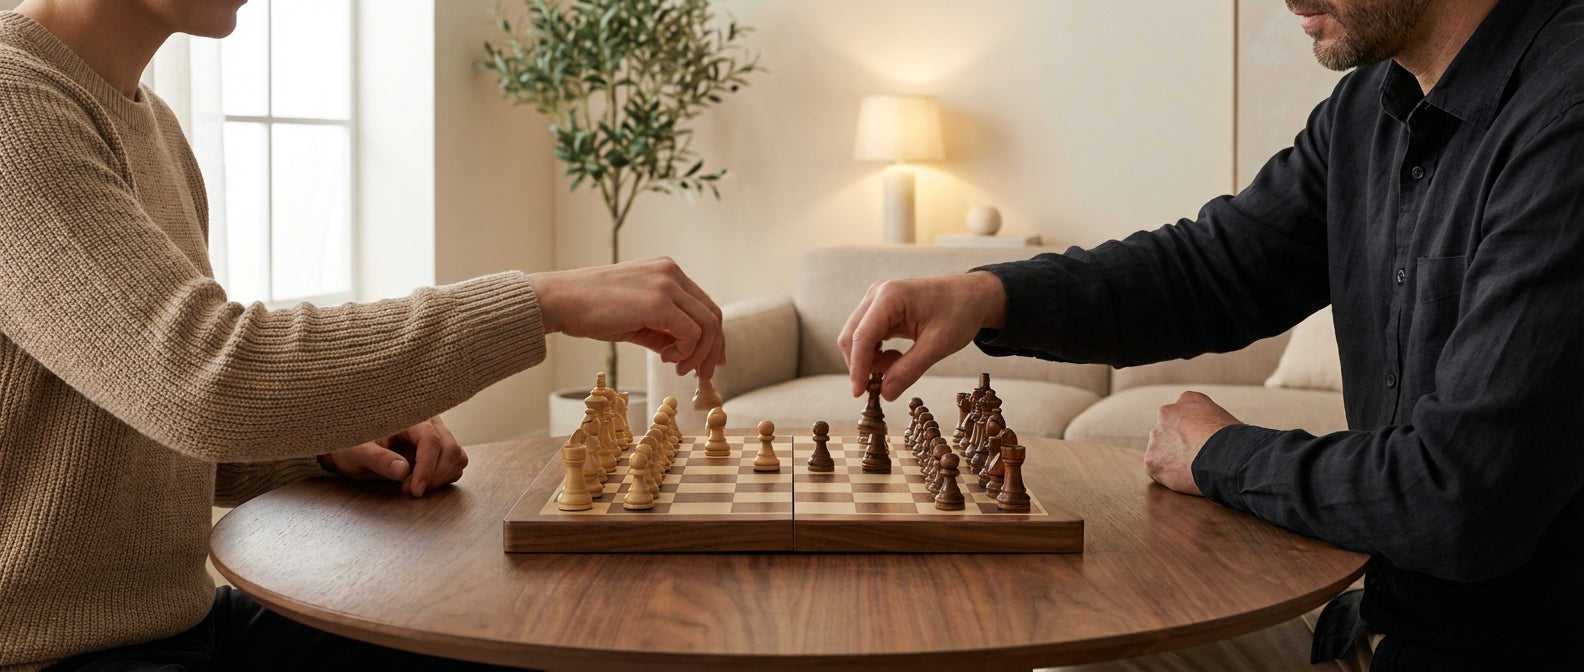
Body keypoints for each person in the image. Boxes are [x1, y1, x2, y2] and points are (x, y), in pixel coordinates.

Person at [840, 0, 1584, 670]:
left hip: (1505, 649)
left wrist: (1218, 455)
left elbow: (1458, 498)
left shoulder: (1565, 109)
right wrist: (984, 296)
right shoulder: (1367, 109)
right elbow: (1211, 268)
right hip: (1376, 625)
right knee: (1075, 653)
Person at [0, 0, 724, 670]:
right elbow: (201, 378)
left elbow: (153, 414)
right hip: (51, 655)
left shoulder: (150, 122)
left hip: (179, 629)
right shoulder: (13, 100)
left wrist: (325, 442)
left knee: (515, 641)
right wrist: (539, 301)